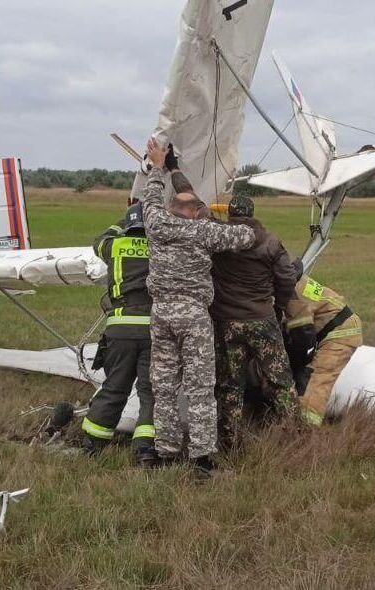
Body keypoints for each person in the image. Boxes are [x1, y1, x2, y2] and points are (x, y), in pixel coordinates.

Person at [140, 138, 256, 476]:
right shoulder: (203, 231)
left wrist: (160, 166)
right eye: (198, 208)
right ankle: (203, 460)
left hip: (161, 314)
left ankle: (165, 452)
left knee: (163, 386)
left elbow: (150, 196)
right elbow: (244, 238)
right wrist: (224, 218)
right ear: (192, 213)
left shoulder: (156, 223)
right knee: (200, 387)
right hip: (192, 316)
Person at [210, 195, 299, 451]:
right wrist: (279, 307)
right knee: (280, 379)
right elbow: (286, 279)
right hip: (262, 319)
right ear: (252, 212)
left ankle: (229, 443)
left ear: (231, 215)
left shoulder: (218, 240)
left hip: (226, 322)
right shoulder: (271, 241)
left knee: (229, 384)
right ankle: (295, 436)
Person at [81, 204, 157, 465]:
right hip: (153, 331)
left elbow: (98, 240)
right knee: (150, 391)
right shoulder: (161, 248)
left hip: (120, 329)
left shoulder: (113, 246)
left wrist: (122, 219)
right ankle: (145, 450)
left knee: (114, 387)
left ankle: (92, 443)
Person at [284, 266, 363, 426]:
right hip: (334, 325)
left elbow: (303, 338)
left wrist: (297, 367)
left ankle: (306, 431)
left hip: (341, 332)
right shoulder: (294, 279)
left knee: (316, 381)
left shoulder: (292, 295)